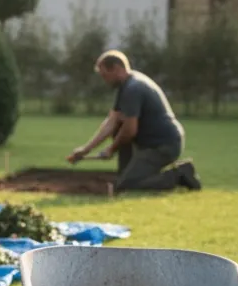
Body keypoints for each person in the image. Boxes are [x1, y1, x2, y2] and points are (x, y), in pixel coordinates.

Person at [67, 50, 201, 192]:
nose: (104, 80)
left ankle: (180, 174)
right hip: (153, 144)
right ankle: (126, 174)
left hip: (162, 146)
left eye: (105, 75)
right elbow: (111, 122)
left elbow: (130, 130)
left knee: (129, 186)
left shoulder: (133, 89)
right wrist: (85, 150)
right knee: (119, 129)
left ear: (117, 69)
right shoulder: (126, 86)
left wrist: (111, 149)